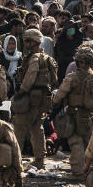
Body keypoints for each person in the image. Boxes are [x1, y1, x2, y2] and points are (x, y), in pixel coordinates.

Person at [52, 47, 93, 179]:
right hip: (90, 115)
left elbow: (59, 95)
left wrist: (54, 102)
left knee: (76, 142)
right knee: (90, 142)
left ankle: (78, 171)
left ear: (79, 61)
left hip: (74, 115)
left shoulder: (72, 77)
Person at [12, 29, 57, 170]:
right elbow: (54, 79)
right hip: (42, 96)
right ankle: (39, 160)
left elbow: (31, 76)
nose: (25, 43)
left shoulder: (34, 58)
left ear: (34, 42)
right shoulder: (46, 58)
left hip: (31, 96)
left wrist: (21, 91)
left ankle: (16, 162)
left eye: (27, 40)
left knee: (19, 127)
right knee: (37, 128)